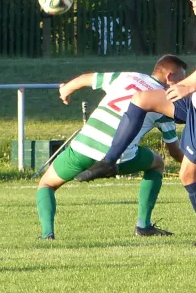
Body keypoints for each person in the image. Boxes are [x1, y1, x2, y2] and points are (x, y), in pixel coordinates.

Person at [75, 0, 196, 247]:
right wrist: (183, 86)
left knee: (188, 174)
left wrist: (189, 88)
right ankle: (109, 162)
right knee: (142, 99)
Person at [36, 54, 187, 240]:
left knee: (47, 184)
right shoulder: (164, 100)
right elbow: (174, 149)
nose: (183, 84)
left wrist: (65, 90)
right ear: (170, 76)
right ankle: (143, 226)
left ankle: (47, 235)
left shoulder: (127, 77)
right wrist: (192, 164)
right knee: (157, 163)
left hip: (84, 147)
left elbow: (86, 78)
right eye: (182, 79)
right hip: (120, 158)